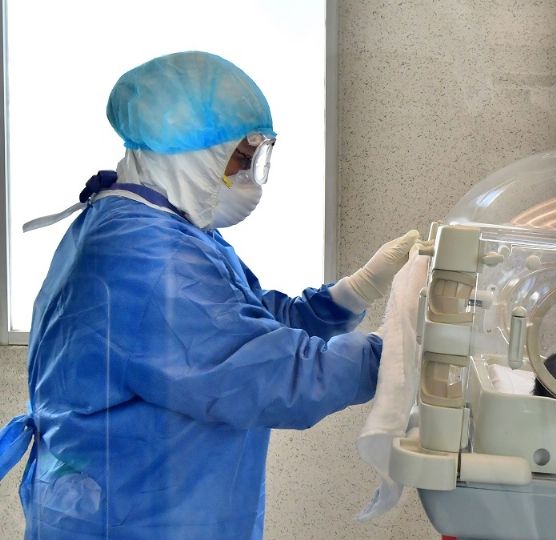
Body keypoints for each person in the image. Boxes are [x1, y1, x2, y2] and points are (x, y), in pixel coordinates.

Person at [0, 51, 418, 539]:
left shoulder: (160, 228)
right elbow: (270, 372)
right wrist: (400, 352)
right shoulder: (145, 253)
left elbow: (254, 320)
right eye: (240, 158)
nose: (247, 178)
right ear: (189, 148)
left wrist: (356, 288)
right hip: (134, 518)